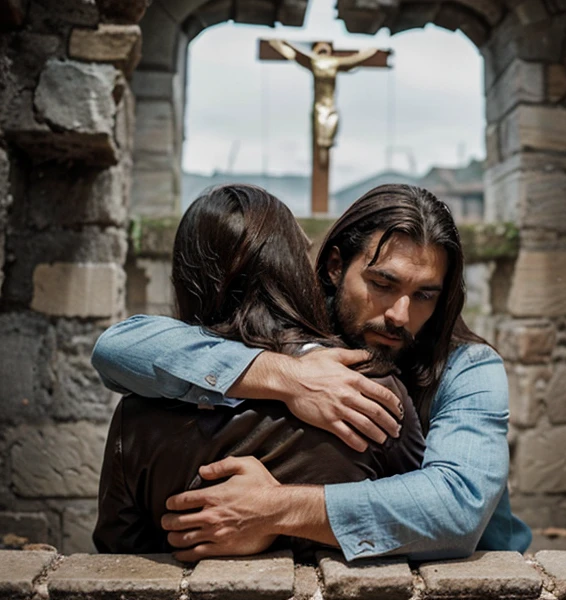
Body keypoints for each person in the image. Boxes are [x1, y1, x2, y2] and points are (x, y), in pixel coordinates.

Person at [92, 184, 532, 562]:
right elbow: (118, 348)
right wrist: (288, 378)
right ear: (336, 266)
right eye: (383, 284)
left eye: (425, 295)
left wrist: (273, 508)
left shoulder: (469, 368)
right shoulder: (301, 343)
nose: (400, 314)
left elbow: (457, 509)